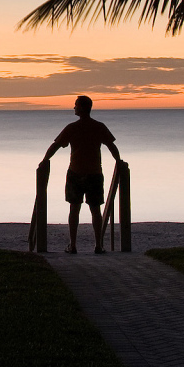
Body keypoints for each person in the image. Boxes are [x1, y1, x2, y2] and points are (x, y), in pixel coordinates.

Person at [41, 95, 120, 254]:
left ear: (82, 108)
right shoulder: (98, 126)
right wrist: (119, 160)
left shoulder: (72, 127)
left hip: (76, 173)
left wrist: (45, 159)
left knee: (75, 209)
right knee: (95, 209)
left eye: (76, 105)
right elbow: (111, 146)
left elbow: (56, 146)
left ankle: (74, 245)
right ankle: (98, 245)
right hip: (94, 173)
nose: (74, 107)